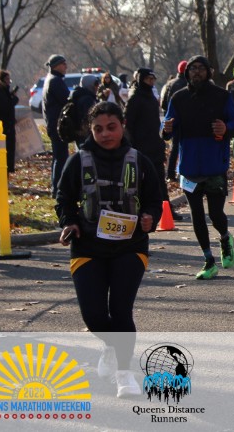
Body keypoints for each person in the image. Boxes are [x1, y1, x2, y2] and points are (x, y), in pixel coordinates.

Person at [55, 101, 163, 398]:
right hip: (87, 247)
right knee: (94, 316)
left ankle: (124, 374)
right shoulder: (78, 161)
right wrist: (69, 222)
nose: (105, 134)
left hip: (130, 247)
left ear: (122, 125)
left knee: (120, 310)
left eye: (111, 127)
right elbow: (63, 198)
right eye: (98, 129)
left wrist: (150, 217)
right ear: (90, 130)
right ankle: (112, 345)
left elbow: (155, 199)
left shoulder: (139, 161)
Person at [163, 55, 234, 280]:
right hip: (189, 166)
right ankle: (208, 260)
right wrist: (166, 129)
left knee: (215, 214)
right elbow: (167, 128)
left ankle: (225, 238)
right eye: (192, 68)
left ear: (209, 72)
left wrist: (225, 127)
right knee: (196, 215)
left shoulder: (221, 96)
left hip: (214, 164)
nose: (196, 72)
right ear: (187, 72)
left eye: (200, 68)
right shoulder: (178, 98)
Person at [125, 68, 177, 219]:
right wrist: (130, 145)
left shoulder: (150, 97)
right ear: (141, 80)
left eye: (153, 80)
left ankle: (167, 210)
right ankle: (144, 210)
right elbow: (128, 125)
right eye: (148, 79)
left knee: (160, 180)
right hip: (141, 147)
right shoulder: (135, 98)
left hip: (155, 145)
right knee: (143, 182)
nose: (151, 82)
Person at [42, 54, 70, 194]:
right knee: (61, 157)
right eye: (63, 64)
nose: (66, 66)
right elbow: (67, 100)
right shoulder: (55, 81)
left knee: (58, 157)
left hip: (53, 124)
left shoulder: (50, 79)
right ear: (56, 66)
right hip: (57, 125)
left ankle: (56, 186)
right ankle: (58, 187)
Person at [160, 61, 188, 181]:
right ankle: (184, 173)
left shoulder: (170, 83)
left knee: (174, 148)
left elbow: (163, 103)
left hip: (172, 120)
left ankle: (170, 174)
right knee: (186, 147)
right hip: (187, 120)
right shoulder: (189, 84)